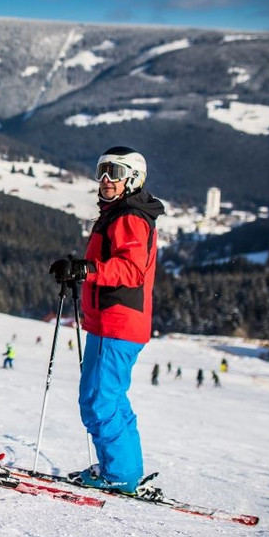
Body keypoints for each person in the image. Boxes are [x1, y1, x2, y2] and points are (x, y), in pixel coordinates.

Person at [50, 146, 164, 495]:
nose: (105, 179)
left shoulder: (129, 217)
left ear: (133, 178)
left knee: (100, 400)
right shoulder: (116, 214)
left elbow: (131, 270)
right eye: (101, 170)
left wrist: (87, 270)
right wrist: (81, 270)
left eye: (114, 172)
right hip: (110, 321)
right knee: (107, 398)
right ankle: (124, 468)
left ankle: (119, 473)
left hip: (119, 321)